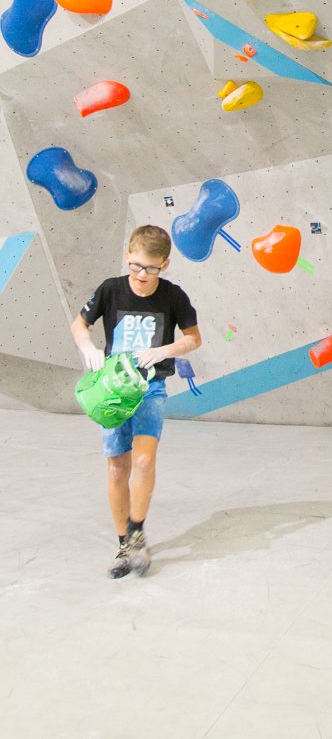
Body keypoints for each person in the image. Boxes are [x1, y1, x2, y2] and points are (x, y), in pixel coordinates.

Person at [70, 225, 201, 579]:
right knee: (117, 468)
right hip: (113, 390)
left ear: (165, 265)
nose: (142, 275)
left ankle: (137, 530)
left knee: (143, 461)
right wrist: (89, 350)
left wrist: (163, 350)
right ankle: (123, 544)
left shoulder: (173, 297)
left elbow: (193, 339)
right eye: (137, 266)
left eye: (151, 269)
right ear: (128, 256)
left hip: (151, 387)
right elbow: (79, 325)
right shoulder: (111, 290)